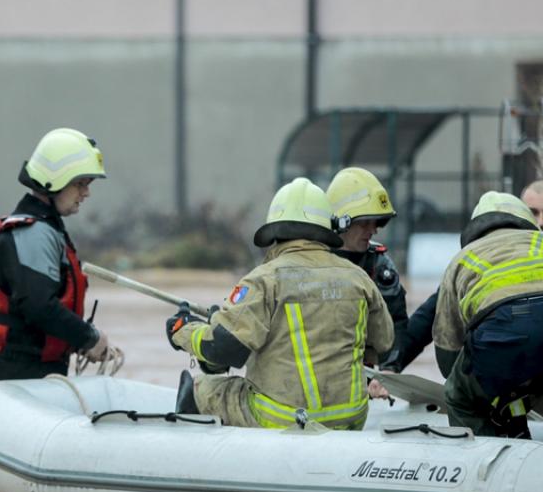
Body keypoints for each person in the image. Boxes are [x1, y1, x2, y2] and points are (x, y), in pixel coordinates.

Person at [167, 178, 394, 430]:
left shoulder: (264, 279)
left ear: (275, 233)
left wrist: (183, 330)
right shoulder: (359, 278)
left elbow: (223, 349)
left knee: (201, 388)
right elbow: (384, 342)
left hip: (284, 419)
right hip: (350, 418)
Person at [433, 192, 543, 445]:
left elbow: (448, 353)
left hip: (501, 336)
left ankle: (486, 462)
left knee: (460, 398)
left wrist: (487, 385)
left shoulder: (463, 258)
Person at [391, 179, 543, 375]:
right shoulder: (486, 255)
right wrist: (393, 362)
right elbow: (434, 311)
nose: (542, 222)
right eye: (533, 212)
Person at [0, 127, 116, 385]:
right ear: (55, 181)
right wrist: (89, 338)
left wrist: (81, 338)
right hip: (13, 373)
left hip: (25, 370)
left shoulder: (42, 229)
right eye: (80, 184)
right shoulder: (33, 233)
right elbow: (39, 307)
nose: (86, 193)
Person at [325, 167, 407, 398]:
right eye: (364, 223)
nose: (373, 230)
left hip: (363, 381)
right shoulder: (313, 261)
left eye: (376, 222)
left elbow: (397, 322)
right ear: (341, 222)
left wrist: (389, 370)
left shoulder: (379, 264)